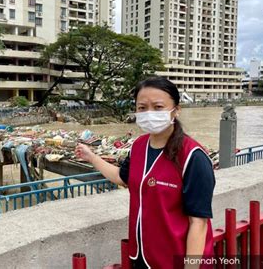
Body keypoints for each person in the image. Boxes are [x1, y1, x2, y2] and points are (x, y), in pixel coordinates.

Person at [75, 77, 215, 269]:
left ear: (176, 110)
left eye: (158, 107)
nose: (149, 113)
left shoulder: (192, 156)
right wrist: (91, 157)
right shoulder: (139, 146)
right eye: (142, 108)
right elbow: (121, 178)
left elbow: (198, 223)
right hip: (141, 257)